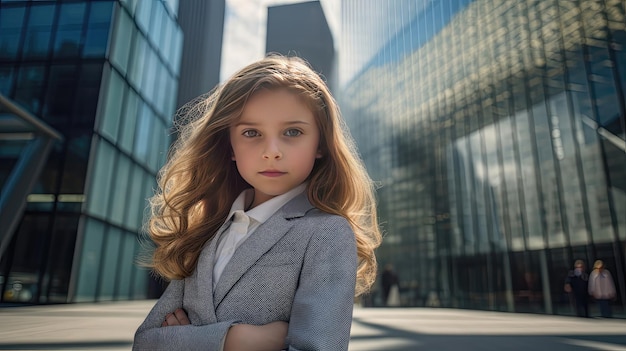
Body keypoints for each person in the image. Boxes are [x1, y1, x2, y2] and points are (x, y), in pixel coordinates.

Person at [132, 55, 383, 350]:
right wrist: (238, 340)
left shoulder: (327, 232)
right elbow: (146, 342)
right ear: (230, 146)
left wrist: (184, 341)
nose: (271, 151)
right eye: (251, 133)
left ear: (321, 145)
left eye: (293, 132)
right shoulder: (209, 230)